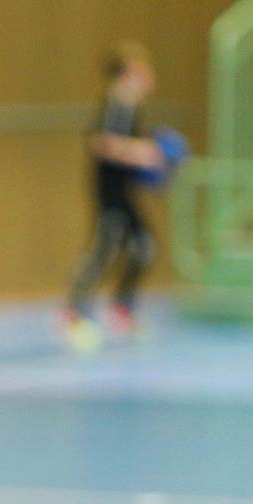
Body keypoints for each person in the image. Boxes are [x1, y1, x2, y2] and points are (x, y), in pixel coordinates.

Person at [60, 41, 165, 352]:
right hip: (110, 196)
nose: (150, 75)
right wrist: (141, 153)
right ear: (131, 73)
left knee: (144, 248)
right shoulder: (117, 104)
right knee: (103, 253)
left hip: (125, 194)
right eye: (144, 69)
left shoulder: (132, 106)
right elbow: (101, 144)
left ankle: (121, 310)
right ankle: (72, 314)